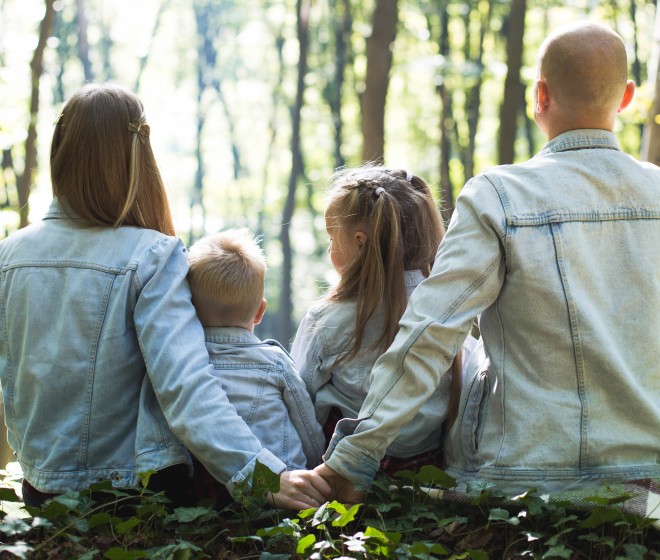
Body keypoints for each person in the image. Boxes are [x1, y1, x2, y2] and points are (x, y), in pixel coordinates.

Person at [316, 22, 660, 500]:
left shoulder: (500, 196)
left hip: (522, 479)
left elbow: (430, 331)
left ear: (539, 95)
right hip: (650, 484)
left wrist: (353, 459)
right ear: (626, 98)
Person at [0, 83, 330, 510]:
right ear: (138, 158)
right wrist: (262, 476)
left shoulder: (8, 254)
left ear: (60, 151)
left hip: (40, 490)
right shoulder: (151, 255)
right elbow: (185, 386)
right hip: (127, 496)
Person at [291, 166, 475, 476]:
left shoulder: (326, 320)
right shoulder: (450, 314)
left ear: (360, 242)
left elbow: (299, 401)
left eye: (332, 238)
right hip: (426, 471)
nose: (328, 248)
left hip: (340, 474)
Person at [186, 228, 325, 471]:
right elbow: (307, 427)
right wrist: (316, 466)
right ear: (260, 312)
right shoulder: (275, 363)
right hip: (284, 481)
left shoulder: (183, 364)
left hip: (211, 487)